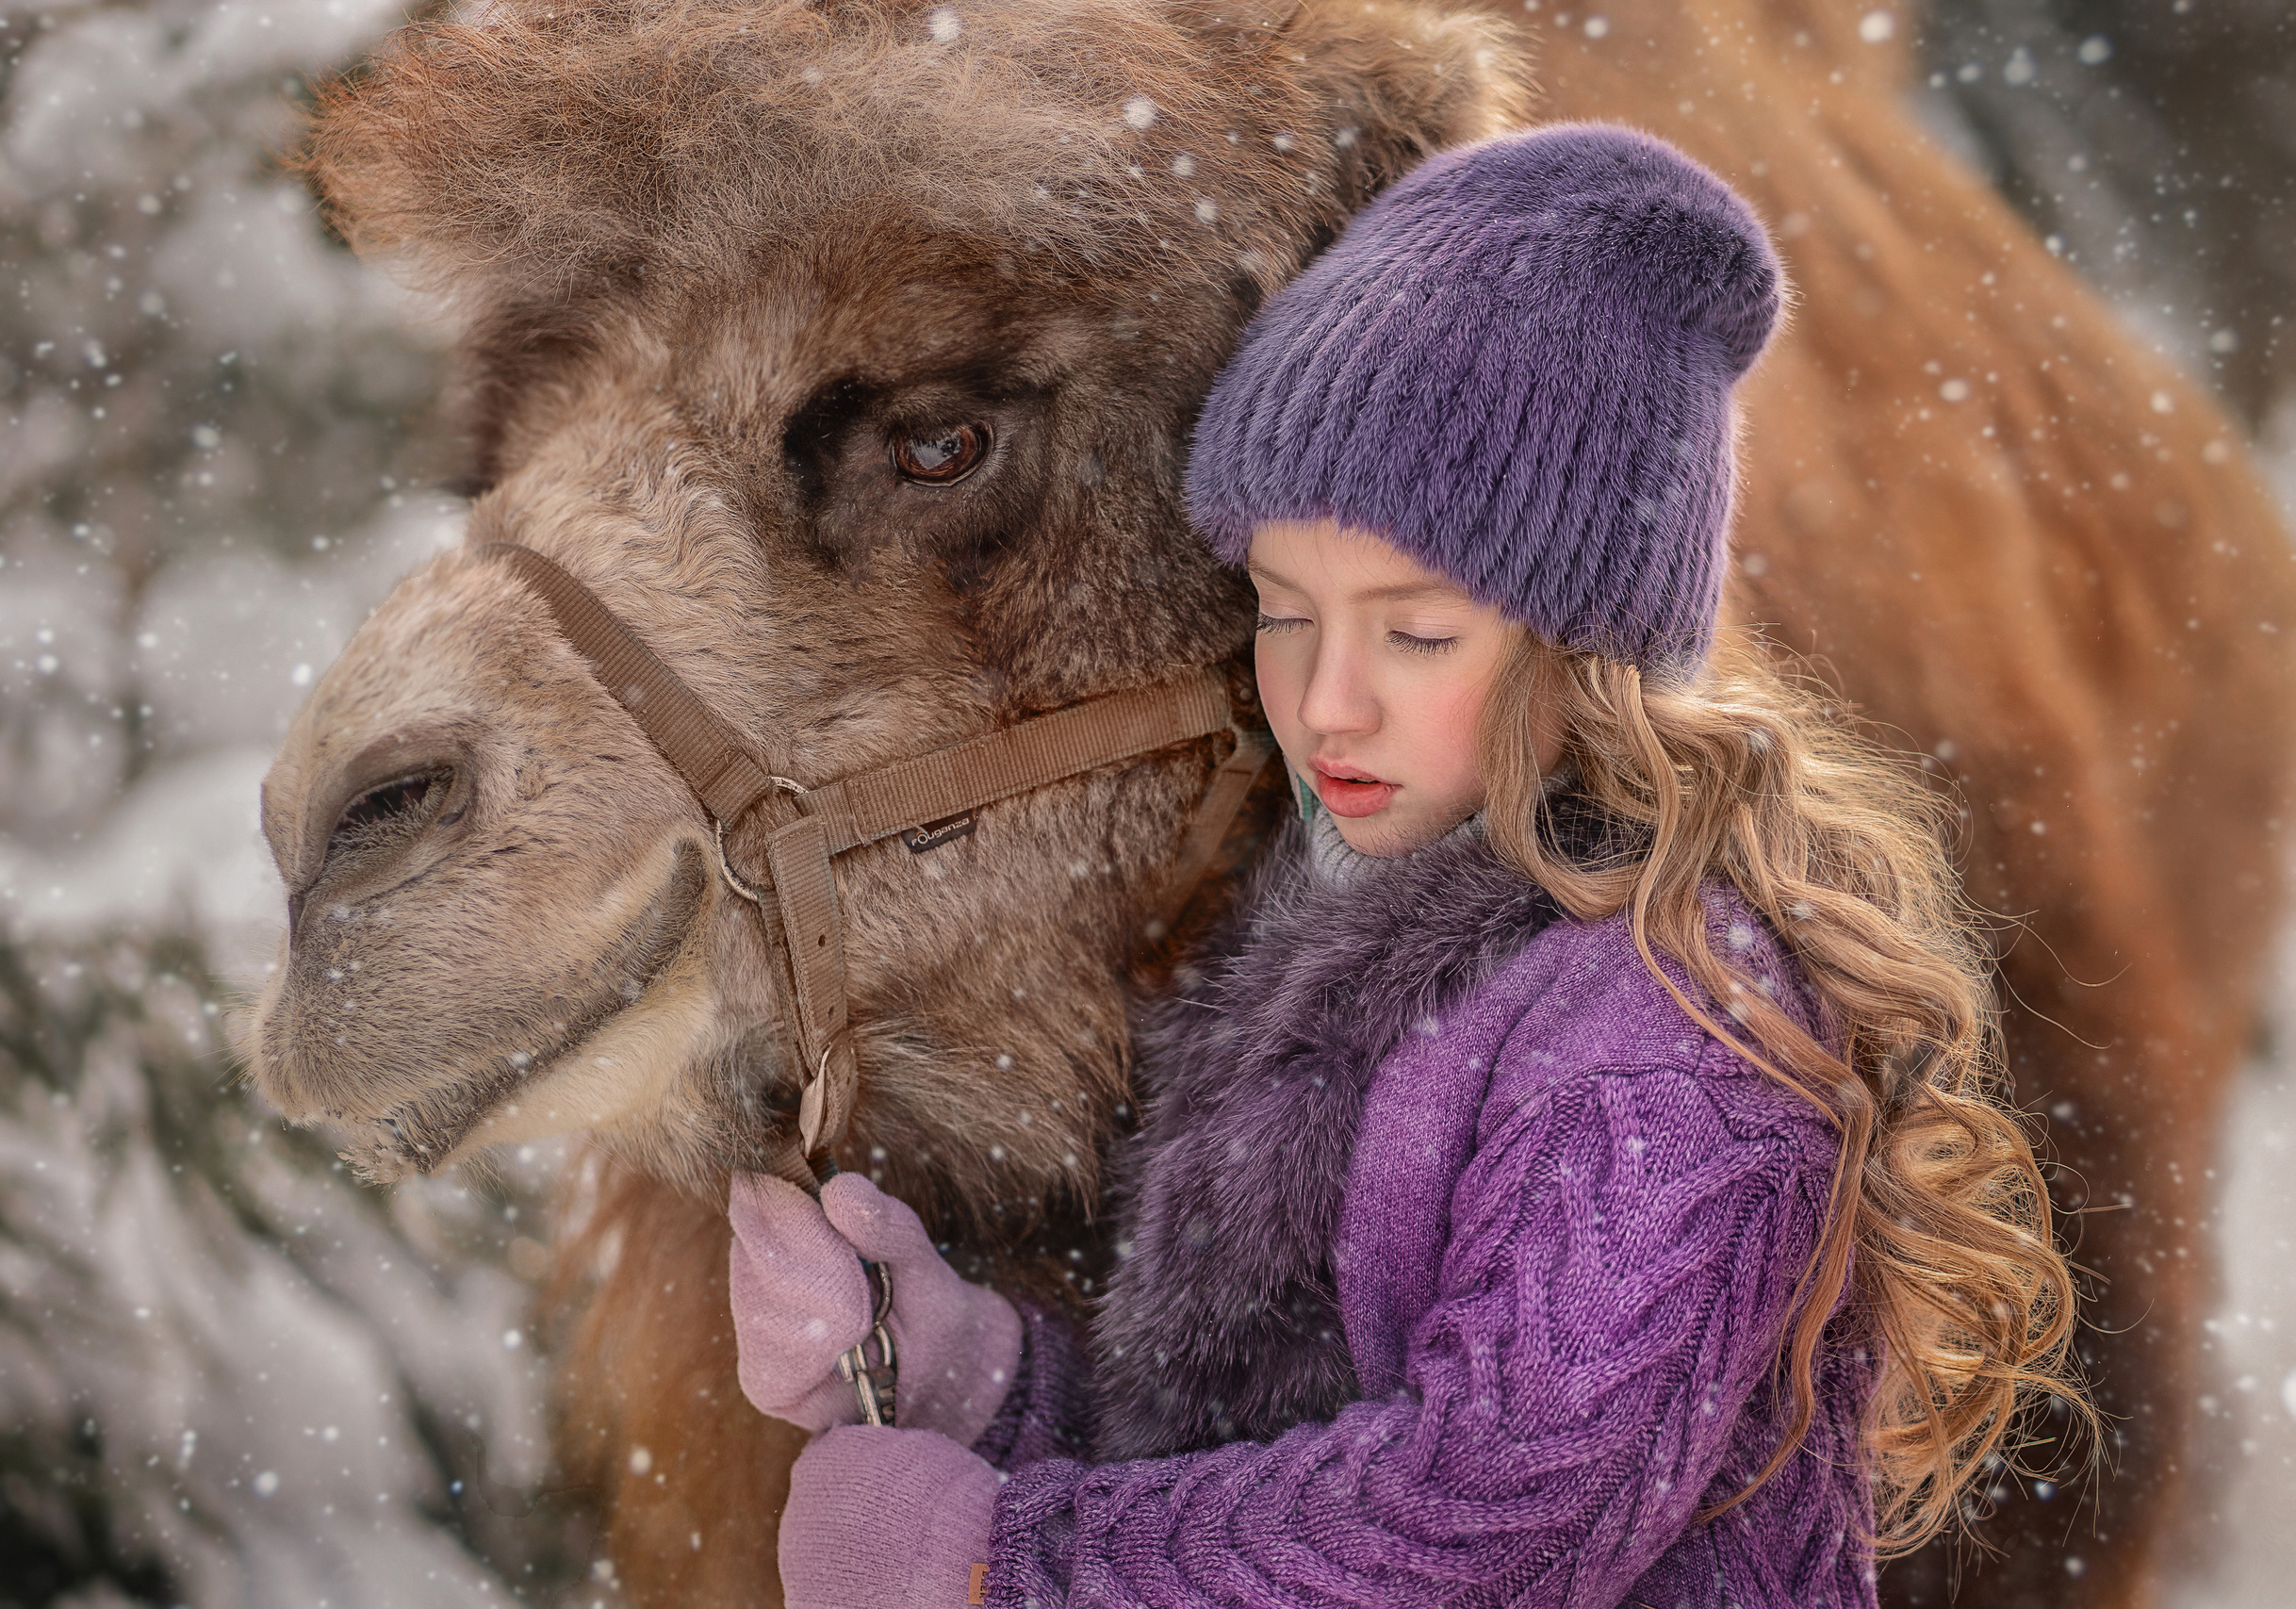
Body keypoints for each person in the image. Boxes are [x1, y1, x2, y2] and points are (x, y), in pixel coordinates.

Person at [725, 123, 2081, 1608]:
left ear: (1592, 650)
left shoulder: (1672, 1042)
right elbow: (1259, 1457)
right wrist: (965, 1376)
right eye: (1285, 610)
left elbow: (1487, 1524)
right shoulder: (1331, 963)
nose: (1325, 701)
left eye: (1415, 631)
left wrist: (1007, 1565)